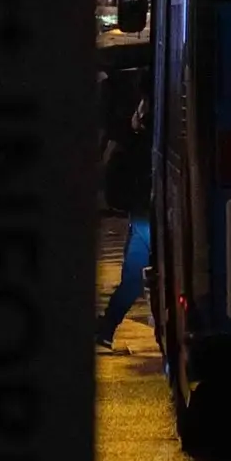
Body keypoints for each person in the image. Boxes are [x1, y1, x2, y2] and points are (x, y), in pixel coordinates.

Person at [96, 52, 155, 352]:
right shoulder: (150, 115)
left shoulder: (145, 118)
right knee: (135, 273)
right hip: (147, 206)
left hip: (147, 206)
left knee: (136, 273)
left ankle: (106, 328)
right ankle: (106, 328)